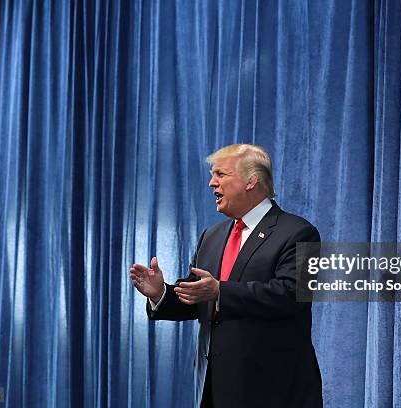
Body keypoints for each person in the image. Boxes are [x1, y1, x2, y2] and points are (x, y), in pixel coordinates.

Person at [129, 144, 322, 408]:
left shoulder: (301, 232)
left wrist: (221, 290)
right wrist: (160, 293)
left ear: (251, 180)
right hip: (214, 389)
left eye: (221, 174)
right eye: (212, 175)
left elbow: (293, 295)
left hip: (274, 391)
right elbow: (199, 297)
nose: (211, 183)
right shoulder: (212, 235)